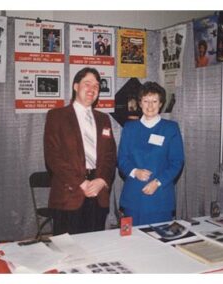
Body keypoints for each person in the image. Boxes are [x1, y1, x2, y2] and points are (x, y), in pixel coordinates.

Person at [44, 67, 117, 235]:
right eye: (87, 84)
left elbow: (110, 156)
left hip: (98, 193)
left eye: (97, 86)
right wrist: (80, 182)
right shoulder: (57, 116)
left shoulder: (103, 119)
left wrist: (102, 181)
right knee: (68, 252)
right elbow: (53, 157)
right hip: (69, 192)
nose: (92, 89)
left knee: (94, 249)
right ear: (76, 86)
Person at [118, 82, 184, 226]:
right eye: (146, 101)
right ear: (140, 103)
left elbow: (177, 162)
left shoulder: (170, 129)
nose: (150, 106)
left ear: (160, 104)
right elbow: (122, 159)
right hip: (133, 198)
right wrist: (135, 172)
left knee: (159, 242)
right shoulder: (129, 128)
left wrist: (158, 182)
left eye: (155, 101)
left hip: (160, 197)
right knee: (130, 243)